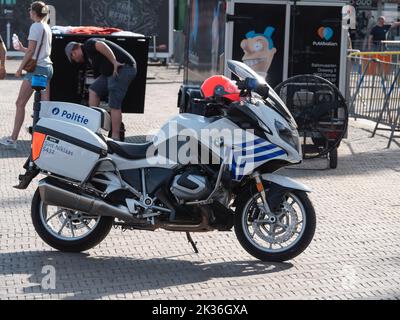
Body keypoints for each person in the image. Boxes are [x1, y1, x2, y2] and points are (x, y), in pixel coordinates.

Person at [0, 1, 53, 149]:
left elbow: (31, 52)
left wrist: (20, 68)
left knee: (20, 103)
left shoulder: (35, 26)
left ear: (34, 12)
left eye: (30, 9)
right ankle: (45, 140)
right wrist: (22, 48)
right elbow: (34, 50)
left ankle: (13, 139)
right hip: (48, 67)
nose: (29, 12)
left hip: (37, 70)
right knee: (45, 106)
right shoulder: (46, 27)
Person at [64, 38, 137, 140]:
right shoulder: (89, 59)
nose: (76, 61)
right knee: (94, 90)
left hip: (123, 67)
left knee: (114, 104)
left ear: (74, 52)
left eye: (73, 58)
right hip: (110, 73)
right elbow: (98, 75)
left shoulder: (88, 45)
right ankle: (93, 127)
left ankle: (115, 137)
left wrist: (114, 62)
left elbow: (101, 45)